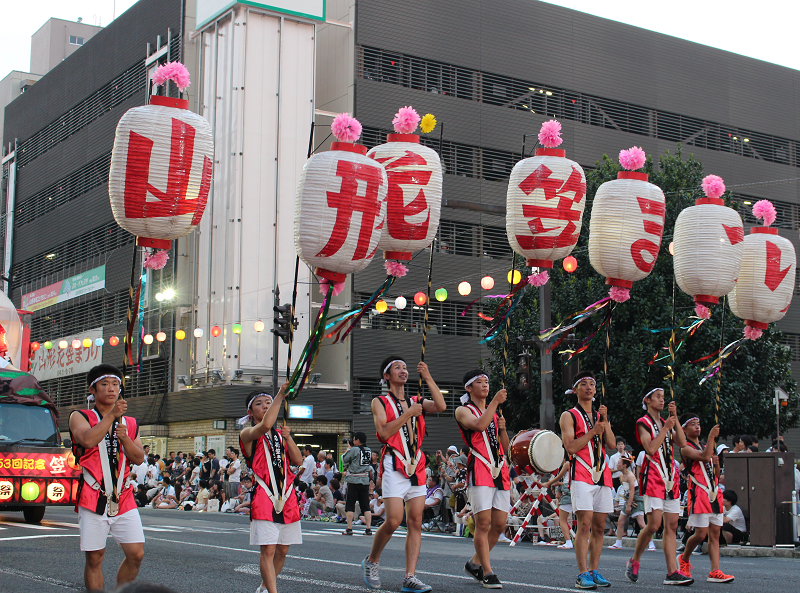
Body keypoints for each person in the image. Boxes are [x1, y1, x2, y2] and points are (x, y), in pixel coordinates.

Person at [362, 356, 446, 593]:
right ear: (386, 376)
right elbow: (384, 433)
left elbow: (441, 406)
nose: (403, 370)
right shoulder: (380, 401)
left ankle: (410, 576)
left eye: (405, 367)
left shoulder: (415, 400)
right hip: (394, 462)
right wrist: (409, 413)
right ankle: (371, 561)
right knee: (393, 520)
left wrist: (427, 376)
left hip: (416, 463)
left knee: (415, 521)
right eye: (397, 367)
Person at [67, 364, 146, 591]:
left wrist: (126, 440)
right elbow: (88, 440)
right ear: (92, 389)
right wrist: (112, 416)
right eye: (104, 384)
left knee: (136, 552)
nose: (111, 389)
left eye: (115, 384)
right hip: (93, 493)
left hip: (123, 494)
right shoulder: (80, 416)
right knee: (95, 558)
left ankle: (123, 591)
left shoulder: (129, 423)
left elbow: (139, 458)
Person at [239, 386, 303, 593]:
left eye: (268, 402)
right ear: (250, 413)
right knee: (268, 549)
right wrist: (280, 395)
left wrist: (289, 437)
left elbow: (297, 460)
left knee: (283, 550)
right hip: (265, 494)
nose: (266, 406)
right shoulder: (248, 433)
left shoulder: (278, 434)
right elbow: (266, 424)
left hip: (286, 495)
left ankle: (264, 587)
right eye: (259, 404)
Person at [626, 386, 690, 586]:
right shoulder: (642, 422)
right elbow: (651, 448)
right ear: (647, 400)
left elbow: (682, 442)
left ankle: (672, 572)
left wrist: (675, 418)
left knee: (671, 525)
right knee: (654, 524)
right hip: (653, 475)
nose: (662, 401)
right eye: (658, 397)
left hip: (670, 475)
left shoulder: (666, 421)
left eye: (663, 397)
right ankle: (635, 558)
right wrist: (665, 428)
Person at [559, 371, 615, 590]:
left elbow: (610, 443)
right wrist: (593, 431)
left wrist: (605, 421)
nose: (589, 388)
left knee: (600, 526)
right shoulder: (569, 415)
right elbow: (570, 447)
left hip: (602, 474)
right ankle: (582, 573)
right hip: (581, 473)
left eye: (592, 384)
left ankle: (594, 570)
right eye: (584, 384)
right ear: (575, 390)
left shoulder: (600, 415)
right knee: (584, 525)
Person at [455, 369, 510, 589]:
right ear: (469, 388)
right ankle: (487, 572)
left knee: (499, 525)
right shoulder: (463, 410)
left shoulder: (493, 411)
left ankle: (474, 563)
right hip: (479, 467)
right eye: (479, 382)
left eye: (487, 381)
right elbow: (478, 425)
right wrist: (495, 403)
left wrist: (503, 429)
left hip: (499, 469)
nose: (485, 385)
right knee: (483, 523)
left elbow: (505, 448)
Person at [678, 414, 734, 583]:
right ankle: (684, 559)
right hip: (699, 493)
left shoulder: (704, 445)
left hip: (713, 492)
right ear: (684, 429)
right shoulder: (685, 447)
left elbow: (715, 474)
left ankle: (715, 570)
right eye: (693, 424)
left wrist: (716, 464)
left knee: (715, 533)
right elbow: (702, 457)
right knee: (700, 533)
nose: (697, 427)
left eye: (698, 424)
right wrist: (711, 437)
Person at [608, 454, 645, 549]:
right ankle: (618, 543)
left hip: (636, 498)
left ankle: (651, 543)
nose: (617, 465)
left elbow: (632, 491)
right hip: (628, 498)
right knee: (620, 521)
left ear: (624, 465)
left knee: (641, 523)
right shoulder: (621, 475)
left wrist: (629, 506)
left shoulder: (630, 475)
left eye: (619, 463)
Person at [341, 431, 374, 536]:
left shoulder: (354, 449)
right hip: (364, 481)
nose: (353, 441)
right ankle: (368, 528)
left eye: (354, 439)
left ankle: (349, 528)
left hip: (354, 480)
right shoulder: (369, 450)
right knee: (365, 506)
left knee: (350, 505)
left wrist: (348, 450)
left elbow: (344, 460)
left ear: (358, 440)